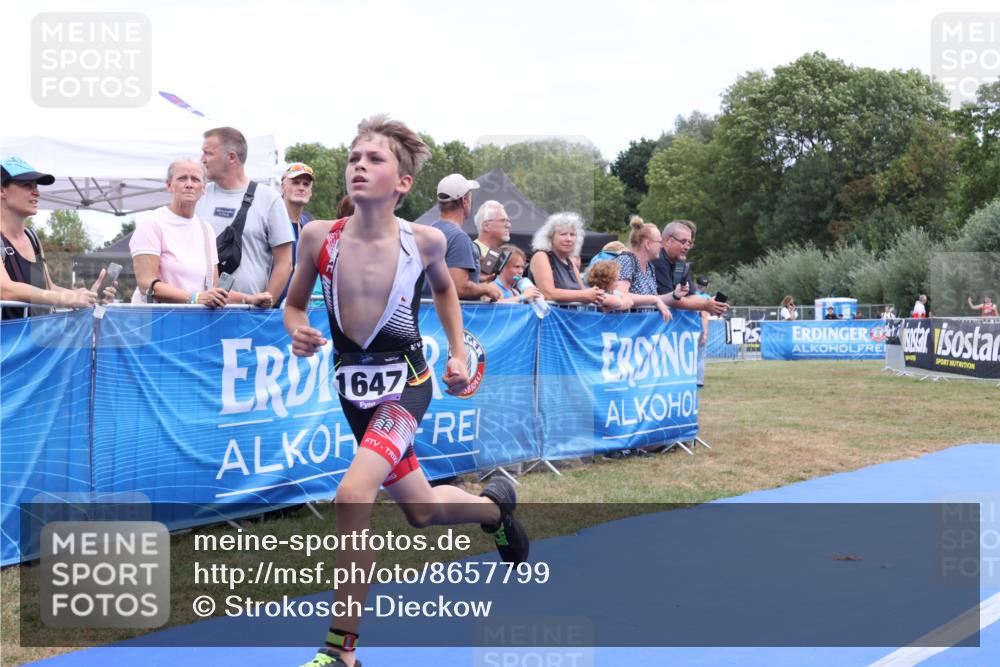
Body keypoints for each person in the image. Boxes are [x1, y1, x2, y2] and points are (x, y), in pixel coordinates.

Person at [283, 116, 528, 667]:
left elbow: (446, 293)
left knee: (353, 495)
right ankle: (494, 509)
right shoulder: (319, 237)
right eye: (354, 158)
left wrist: (458, 352)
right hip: (353, 390)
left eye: (374, 159)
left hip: (407, 384)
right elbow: (294, 305)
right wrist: (296, 330)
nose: (359, 166)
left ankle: (340, 650)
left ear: (402, 182)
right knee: (420, 509)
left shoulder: (426, 241)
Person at [130, 159, 269, 307]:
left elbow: (214, 287)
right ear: (169, 185)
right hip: (159, 319)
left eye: (195, 179)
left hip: (195, 319)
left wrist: (249, 299)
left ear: (203, 189)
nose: (189, 184)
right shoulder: (152, 222)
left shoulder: (206, 229)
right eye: (182, 178)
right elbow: (146, 284)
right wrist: (196, 298)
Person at [1, 157, 113, 319]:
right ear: (2, 190)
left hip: (34, 334)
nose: (37, 192)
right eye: (27, 185)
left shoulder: (32, 238)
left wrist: (88, 297)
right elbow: (5, 290)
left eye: (36, 186)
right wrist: (67, 298)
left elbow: (48, 288)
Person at [197, 126, 293, 306]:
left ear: (231, 157)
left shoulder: (269, 199)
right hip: (200, 310)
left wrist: (265, 303)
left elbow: (284, 262)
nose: (202, 159)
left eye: (208, 153)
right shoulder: (198, 195)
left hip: (248, 313)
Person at [422, 174, 502, 302]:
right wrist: (487, 288)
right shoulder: (459, 238)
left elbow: (440, 278)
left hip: (428, 311)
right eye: (470, 197)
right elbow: (458, 288)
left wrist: (476, 277)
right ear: (464, 201)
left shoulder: (430, 230)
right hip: (447, 313)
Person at [649, 220, 728, 316]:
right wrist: (705, 306)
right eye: (683, 241)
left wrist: (712, 304)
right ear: (668, 241)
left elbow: (690, 295)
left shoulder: (680, 263)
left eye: (689, 243)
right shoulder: (657, 259)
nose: (687, 247)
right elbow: (671, 299)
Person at [527, 212, 604, 305]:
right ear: (550, 237)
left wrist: (598, 295)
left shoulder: (570, 261)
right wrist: (584, 295)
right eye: (563, 234)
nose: (568, 239)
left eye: (572, 235)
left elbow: (584, 292)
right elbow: (547, 293)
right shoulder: (541, 256)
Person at [612, 216, 673, 322]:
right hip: (624, 327)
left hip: (641, 329)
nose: (662, 246)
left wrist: (676, 294)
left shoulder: (650, 267)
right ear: (648, 244)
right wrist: (654, 299)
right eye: (659, 242)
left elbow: (653, 299)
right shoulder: (626, 261)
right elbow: (619, 295)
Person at [472, 200, 511, 281]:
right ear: (486, 226)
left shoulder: (501, 253)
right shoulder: (472, 251)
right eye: (503, 220)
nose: (508, 225)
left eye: (508, 221)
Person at [694, 276, 711, 388]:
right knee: (700, 357)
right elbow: (704, 316)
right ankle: (699, 381)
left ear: (696, 284)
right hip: (700, 329)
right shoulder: (707, 299)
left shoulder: (691, 296)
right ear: (706, 286)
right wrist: (705, 333)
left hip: (690, 329)